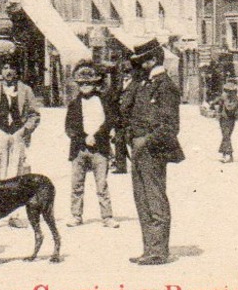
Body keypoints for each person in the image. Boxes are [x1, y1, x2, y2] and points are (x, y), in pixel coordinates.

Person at [118, 39, 182, 266]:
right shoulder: (143, 84)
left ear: (152, 60)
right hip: (138, 149)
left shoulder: (165, 86)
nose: (137, 66)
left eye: (141, 61)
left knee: (155, 199)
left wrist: (145, 141)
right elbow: (125, 109)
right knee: (142, 200)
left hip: (152, 150)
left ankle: (158, 251)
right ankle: (149, 249)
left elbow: (170, 126)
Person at [0, 56, 41, 227]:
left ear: (17, 71)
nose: (9, 71)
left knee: (15, 176)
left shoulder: (26, 90)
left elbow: (35, 114)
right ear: (1, 70)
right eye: (5, 67)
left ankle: (14, 215)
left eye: (12, 68)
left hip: (17, 136)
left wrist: (25, 130)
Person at [65, 63, 117, 228]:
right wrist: (84, 137)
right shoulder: (74, 104)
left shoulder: (104, 101)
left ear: (95, 83)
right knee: (77, 184)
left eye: (88, 83)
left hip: (99, 148)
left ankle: (107, 216)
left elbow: (110, 121)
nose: (85, 86)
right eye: (81, 83)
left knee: (102, 184)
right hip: (79, 149)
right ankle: (76, 215)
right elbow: (70, 127)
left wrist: (97, 135)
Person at [213, 79, 238, 164]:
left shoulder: (237, 99)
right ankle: (227, 156)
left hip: (229, 119)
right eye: (228, 91)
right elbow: (219, 108)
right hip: (225, 119)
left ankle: (227, 156)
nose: (230, 92)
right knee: (226, 136)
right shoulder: (224, 98)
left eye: (232, 91)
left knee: (226, 136)